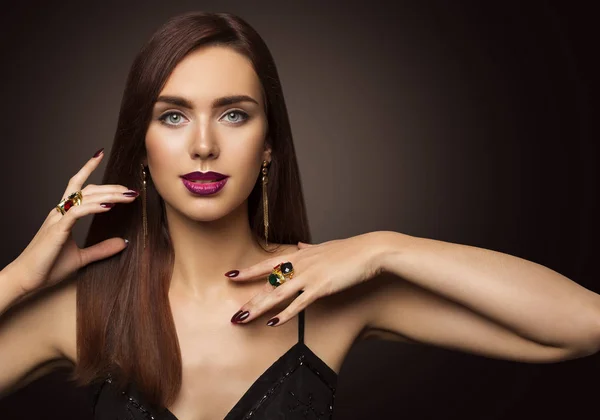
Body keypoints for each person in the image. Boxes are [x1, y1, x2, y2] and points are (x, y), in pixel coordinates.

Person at [0, 10, 599, 420]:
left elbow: (584, 325)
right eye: (174, 116)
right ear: (141, 147)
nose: (204, 144)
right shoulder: (85, 308)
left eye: (234, 114)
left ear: (268, 145)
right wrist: (17, 281)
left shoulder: (326, 294)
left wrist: (385, 247)